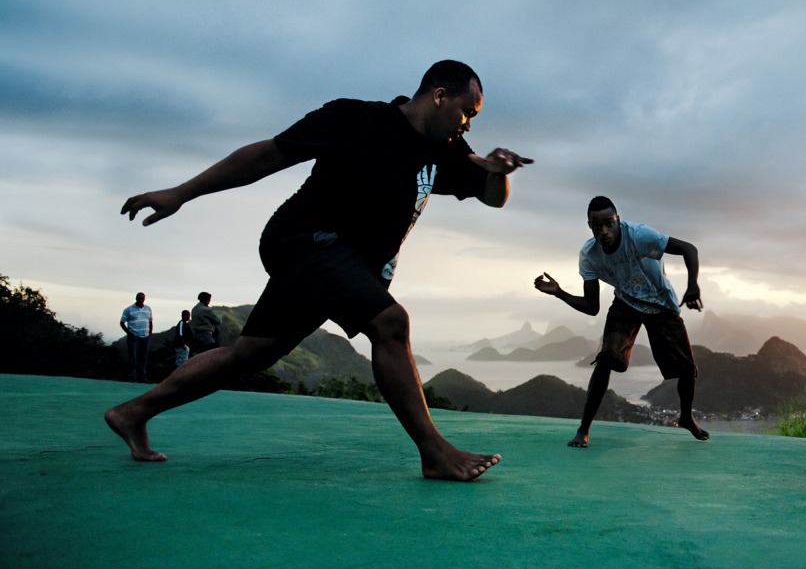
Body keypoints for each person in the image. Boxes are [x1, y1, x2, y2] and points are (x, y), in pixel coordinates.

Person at [107, 60, 531, 482]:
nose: (468, 125)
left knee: (250, 354)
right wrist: (181, 193)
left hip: (338, 268)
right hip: (302, 242)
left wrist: (498, 173)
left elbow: (493, 196)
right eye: (467, 112)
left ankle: (132, 413)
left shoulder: (446, 149)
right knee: (390, 324)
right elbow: (267, 155)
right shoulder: (355, 119)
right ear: (439, 97)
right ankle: (434, 453)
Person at [534, 196, 709, 448]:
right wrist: (559, 292)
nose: (604, 231)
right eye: (597, 226)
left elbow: (688, 249)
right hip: (626, 302)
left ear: (618, 221)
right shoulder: (590, 256)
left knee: (686, 370)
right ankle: (583, 429)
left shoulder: (639, 236)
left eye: (609, 224)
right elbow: (592, 307)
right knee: (605, 359)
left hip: (660, 303)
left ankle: (686, 417)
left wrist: (693, 286)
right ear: (590, 226)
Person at [119, 292, 153, 383]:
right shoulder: (128, 309)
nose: (141, 300)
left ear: (144, 299)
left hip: (145, 337)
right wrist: (129, 333)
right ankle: (132, 377)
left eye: (142, 298)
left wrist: (150, 332)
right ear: (136, 298)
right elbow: (122, 322)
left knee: (143, 358)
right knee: (133, 357)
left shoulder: (148, 309)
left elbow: (150, 321)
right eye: (139, 298)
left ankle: (142, 377)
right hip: (134, 337)